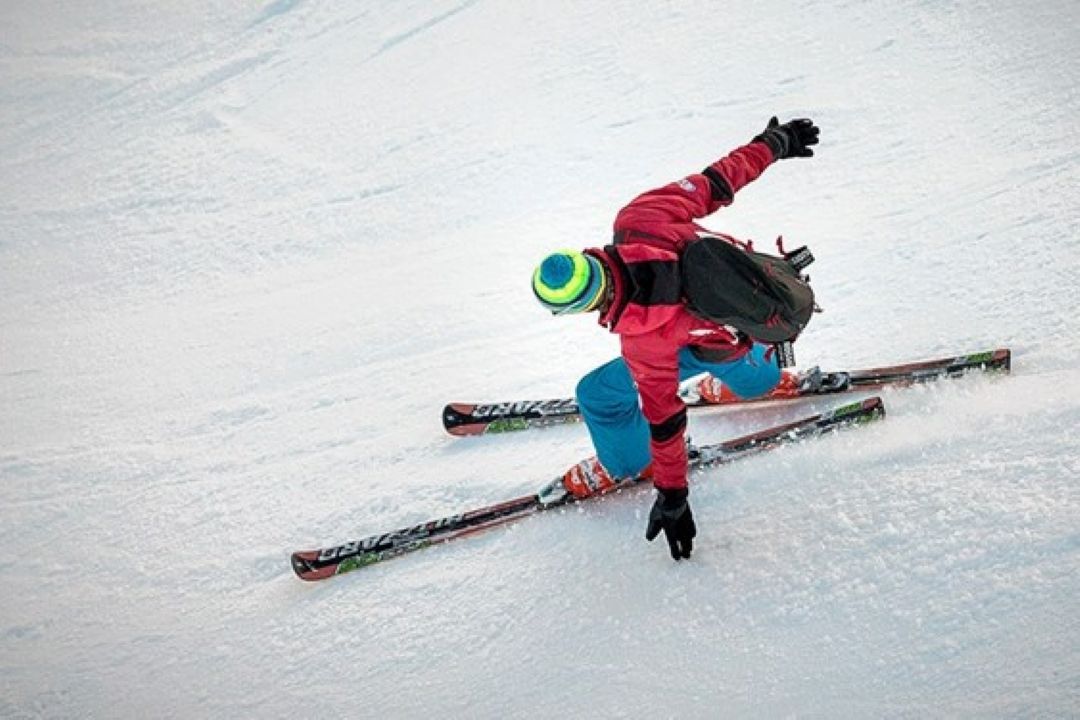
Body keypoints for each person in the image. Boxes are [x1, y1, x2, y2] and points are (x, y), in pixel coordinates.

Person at [531, 116, 820, 561]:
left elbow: (665, 422)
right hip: (752, 318)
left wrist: (671, 494)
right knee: (743, 366)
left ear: (577, 306)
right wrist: (774, 143)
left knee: (597, 395)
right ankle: (758, 378)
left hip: (691, 344)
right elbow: (717, 181)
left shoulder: (642, 341)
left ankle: (627, 462)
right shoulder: (639, 219)